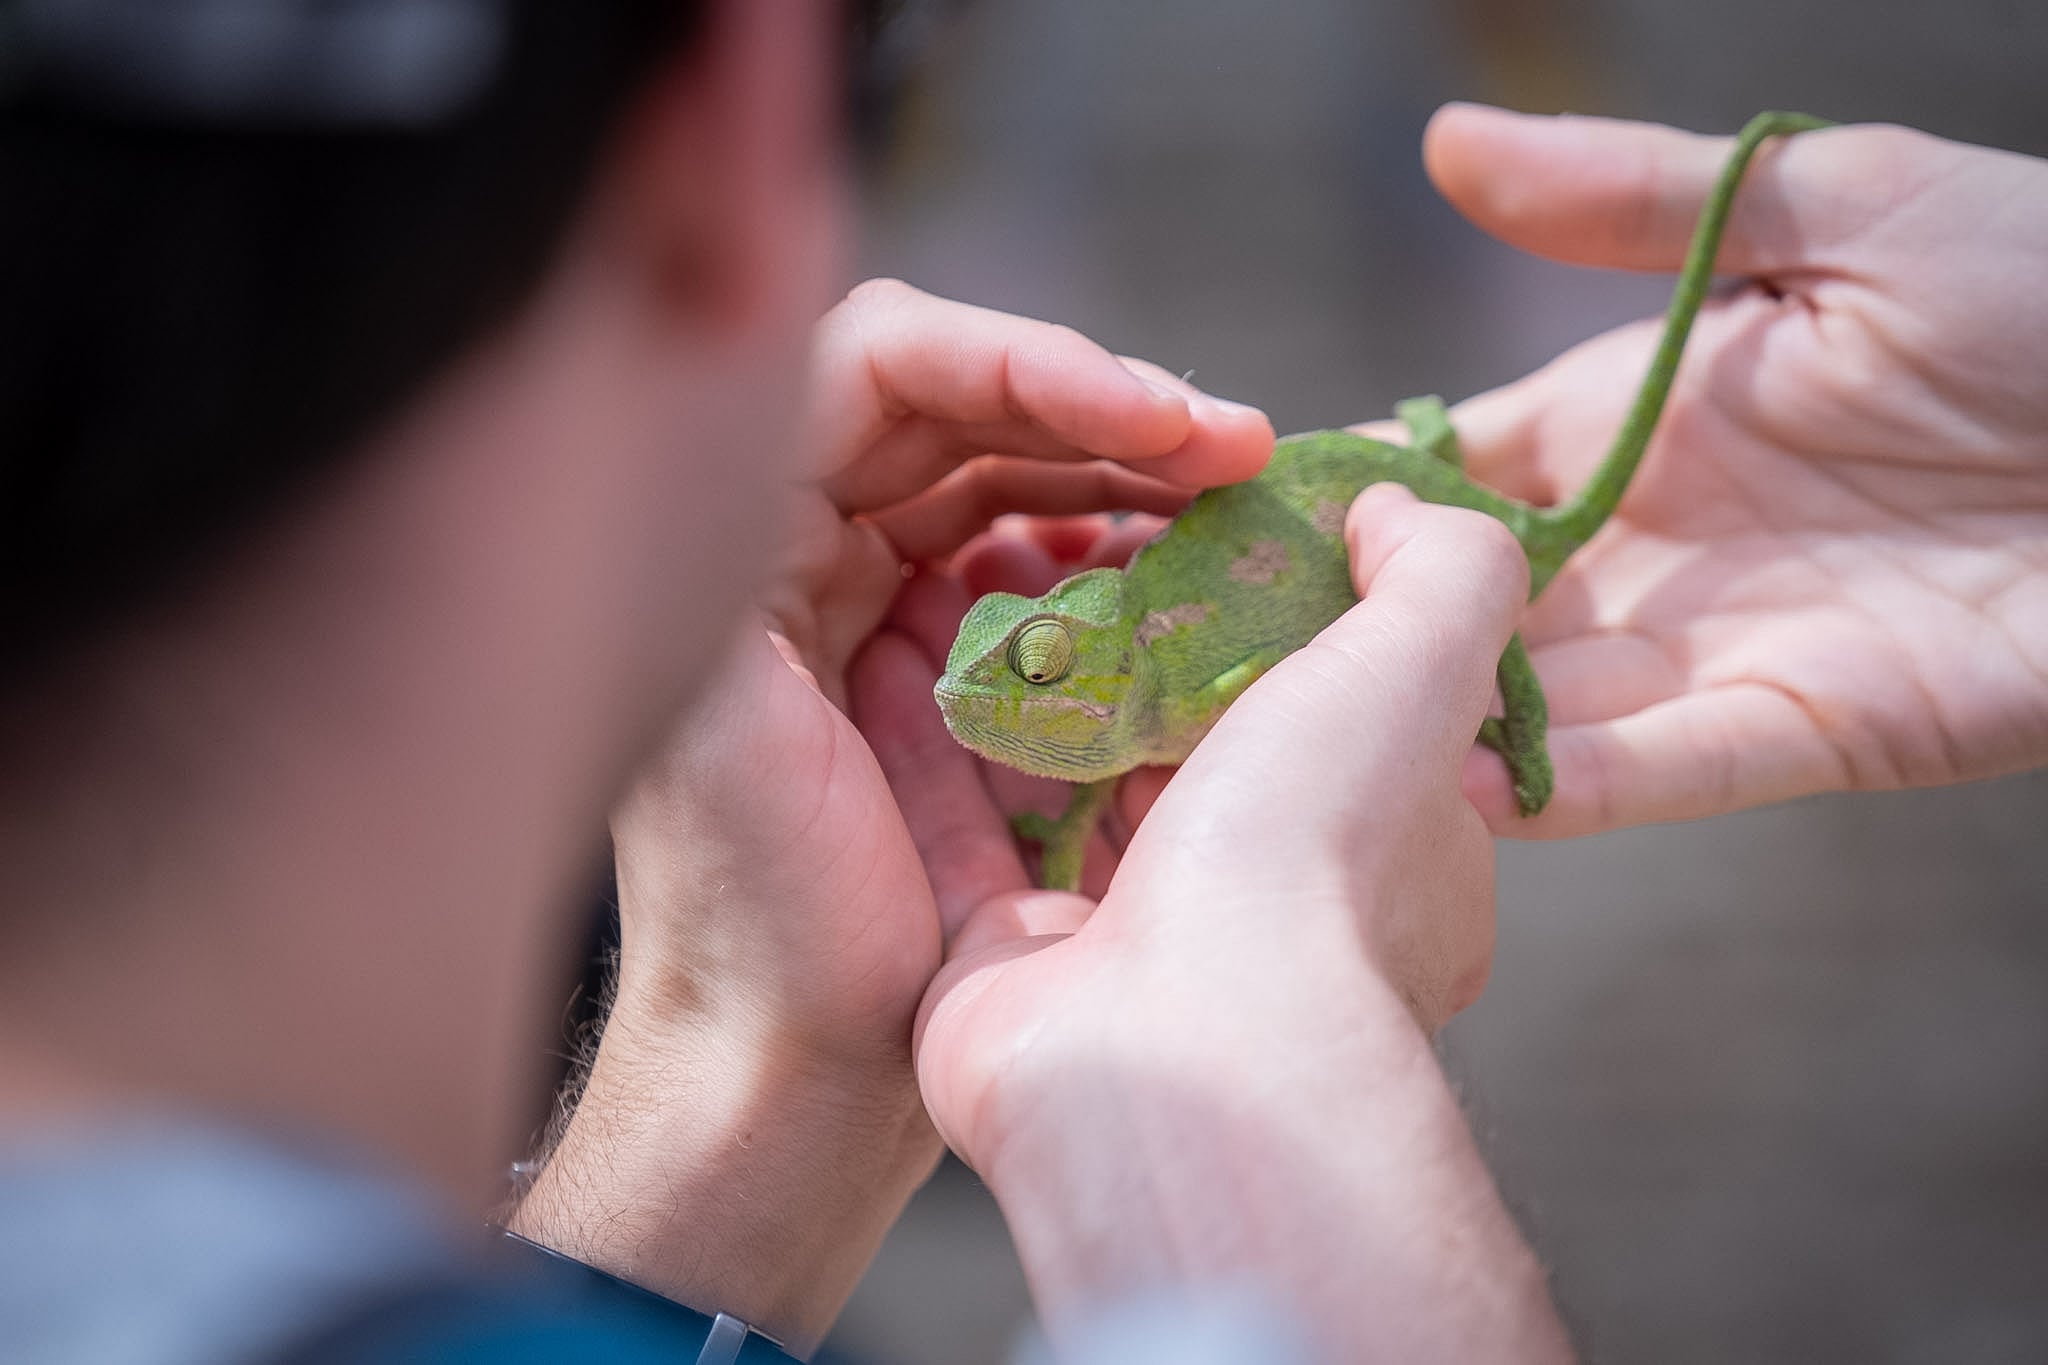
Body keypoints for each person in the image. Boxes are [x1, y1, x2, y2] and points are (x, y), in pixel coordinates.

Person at [0, 5, 2041, 1365]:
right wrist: (1262, 1070)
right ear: (735, 123)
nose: (994, 688)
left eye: (1031, 661)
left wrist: (764, 1049)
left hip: (1410, 483)